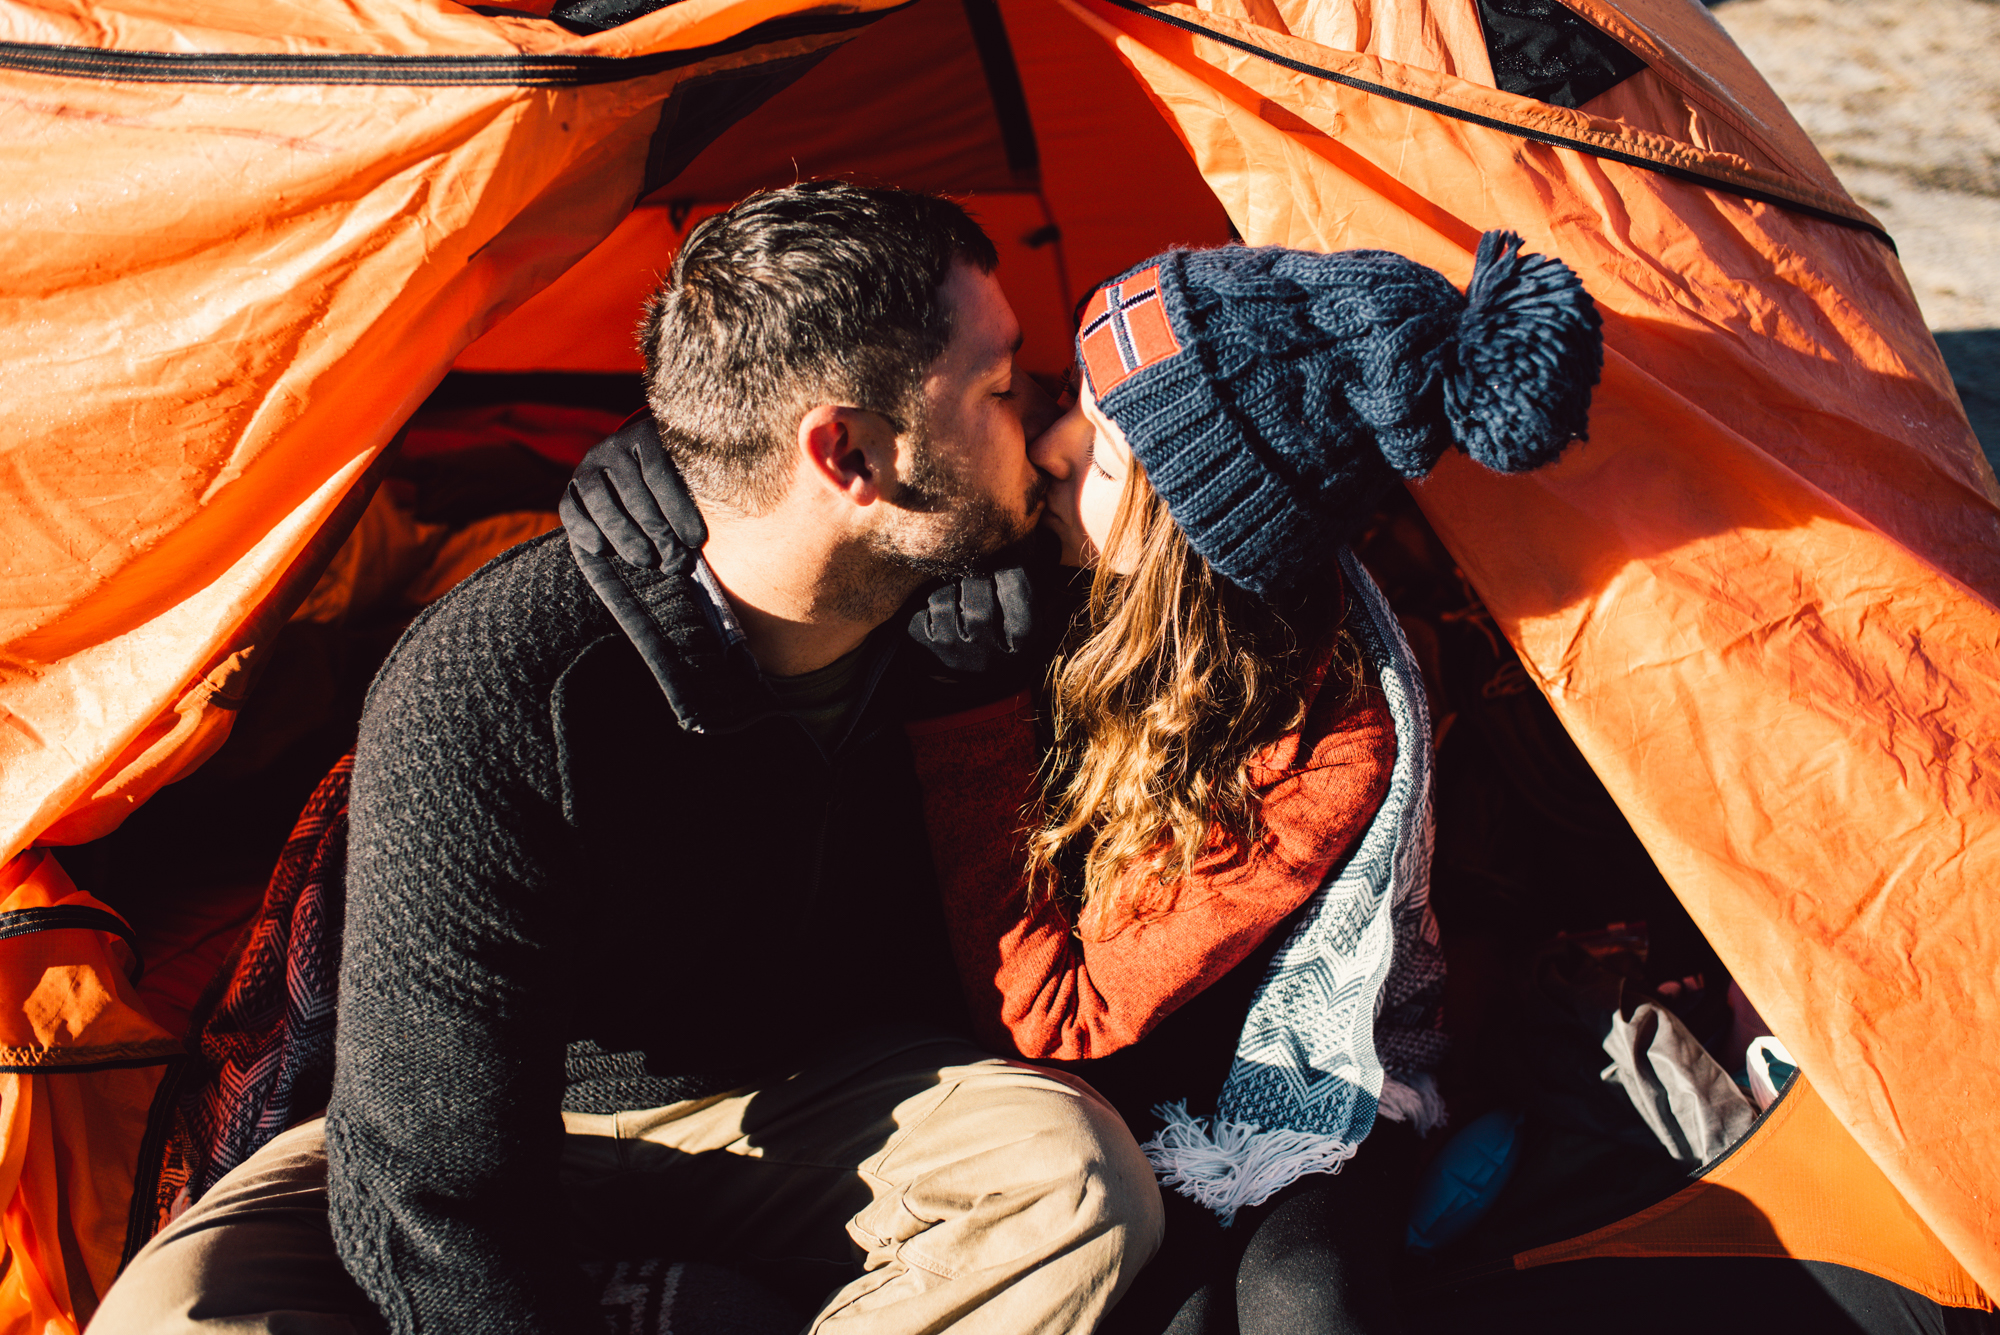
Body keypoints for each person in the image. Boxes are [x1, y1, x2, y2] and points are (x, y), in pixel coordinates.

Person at [94, 181, 1164, 1335]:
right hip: (529, 1111)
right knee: (176, 1315)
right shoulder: (498, 683)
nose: (1050, 426)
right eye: (1003, 387)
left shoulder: (990, 605)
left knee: (1071, 1184)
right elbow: (430, 1171)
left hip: (824, 1104)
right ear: (849, 453)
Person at [903, 233, 1604, 1334]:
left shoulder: (1327, 737)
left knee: (1302, 1296)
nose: (1042, 444)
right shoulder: (1016, 562)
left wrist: (967, 721)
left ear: (1184, 534)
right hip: (1084, 1079)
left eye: (1096, 459)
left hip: (1277, 1066)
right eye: (1065, 394)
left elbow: (1064, 1012)